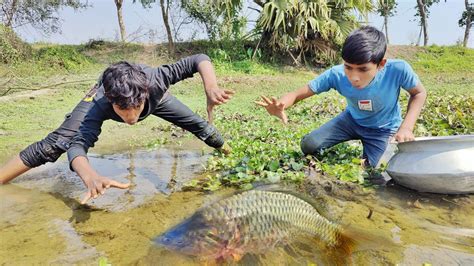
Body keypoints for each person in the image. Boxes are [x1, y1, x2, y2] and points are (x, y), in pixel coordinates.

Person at [0, 54, 234, 203]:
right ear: (111, 102)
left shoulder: (157, 79)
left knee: (198, 125)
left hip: (155, 96)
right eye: (123, 110)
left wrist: (211, 88)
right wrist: (89, 176)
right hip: (102, 91)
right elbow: (77, 144)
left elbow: (198, 59)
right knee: (56, 143)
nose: (131, 118)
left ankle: (231, 153)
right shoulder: (100, 103)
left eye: (136, 108)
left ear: (144, 95)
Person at [256, 26, 427, 168]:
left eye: (363, 69)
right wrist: (281, 105)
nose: (353, 76)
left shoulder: (398, 69)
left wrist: (406, 128)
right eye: (348, 67)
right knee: (308, 145)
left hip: (383, 129)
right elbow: (298, 93)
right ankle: (353, 138)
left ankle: (370, 146)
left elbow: (419, 93)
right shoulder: (336, 74)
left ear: (380, 64)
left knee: (381, 169)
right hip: (350, 121)